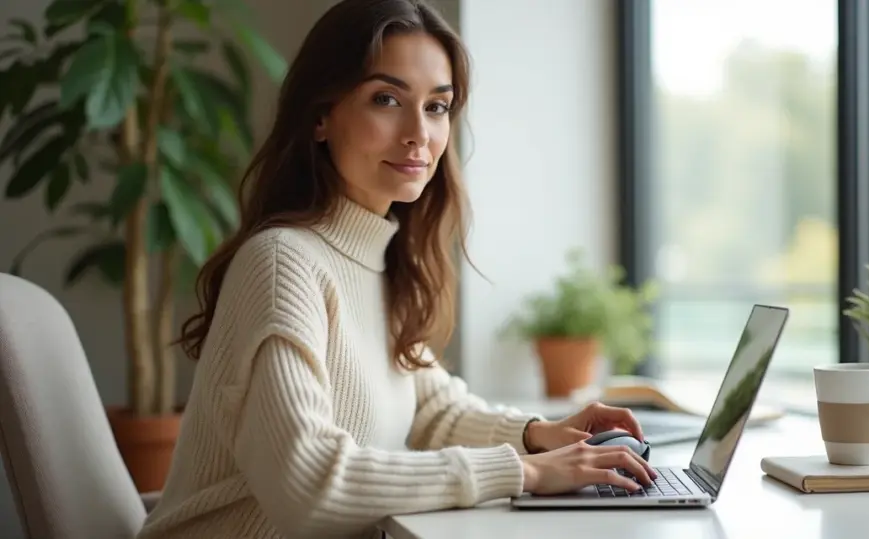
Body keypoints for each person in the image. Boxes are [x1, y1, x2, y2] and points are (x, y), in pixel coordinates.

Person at [136, 1, 655, 538]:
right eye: (386, 99)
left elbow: (433, 409)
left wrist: (539, 434)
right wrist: (522, 471)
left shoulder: (379, 259)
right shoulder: (282, 263)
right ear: (320, 116)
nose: (419, 134)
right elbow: (309, 484)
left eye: (437, 107)